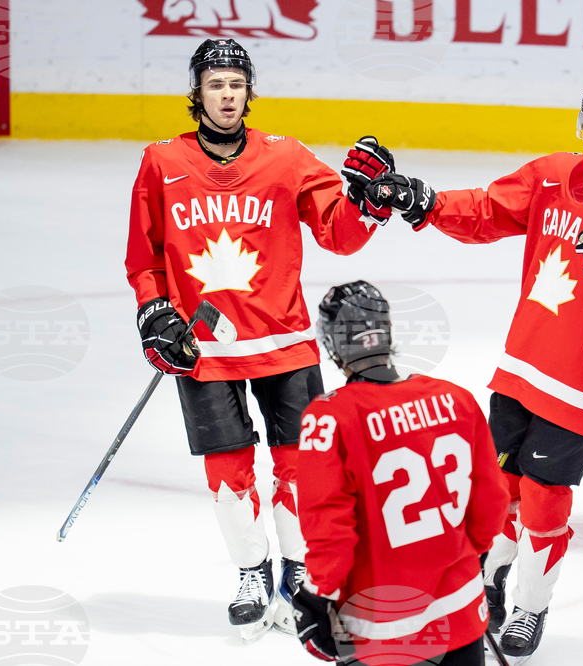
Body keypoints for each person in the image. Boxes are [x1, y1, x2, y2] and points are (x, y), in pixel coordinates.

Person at [360, 72, 583, 660]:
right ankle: (484, 583)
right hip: (523, 362)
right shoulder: (552, 174)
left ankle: (530, 606)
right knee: (496, 487)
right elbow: (486, 211)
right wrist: (421, 199)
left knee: (542, 498)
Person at [124, 38, 396, 643]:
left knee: (299, 465)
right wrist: (153, 314)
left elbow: (339, 234)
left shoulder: (287, 157)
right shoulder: (161, 161)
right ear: (196, 94)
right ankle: (253, 570)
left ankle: (299, 570)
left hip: (285, 340)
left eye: (235, 84)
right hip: (204, 347)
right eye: (215, 84)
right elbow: (144, 258)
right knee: (228, 470)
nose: (226, 95)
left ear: (250, 92)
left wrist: (368, 202)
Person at [292, 281, 510, 666]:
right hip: (460, 614)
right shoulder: (456, 398)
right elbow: (492, 502)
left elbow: (329, 529)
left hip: (381, 632)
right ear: (386, 332)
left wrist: (314, 596)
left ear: (333, 344)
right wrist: (466, 558)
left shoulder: (329, 419)